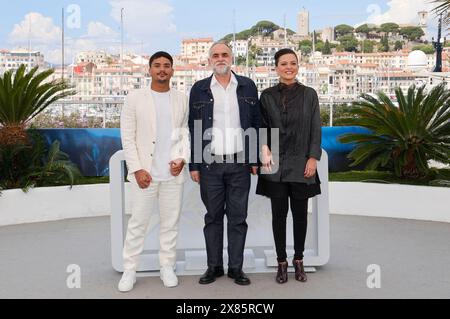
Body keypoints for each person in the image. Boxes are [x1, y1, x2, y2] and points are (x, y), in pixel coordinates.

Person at [188, 41, 261, 286]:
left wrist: (254, 158)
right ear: (209, 60)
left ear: (232, 58)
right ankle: (214, 267)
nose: (220, 58)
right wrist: (194, 164)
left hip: (240, 163)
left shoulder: (248, 86)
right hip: (210, 165)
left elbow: (256, 122)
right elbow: (194, 128)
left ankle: (236, 268)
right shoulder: (198, 89)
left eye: (225, 54)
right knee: (213, 217)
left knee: (238, 218)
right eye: (216, 55)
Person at [118, 51, 190, 291]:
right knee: (138, 223)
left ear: (172, 71)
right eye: (157, 65)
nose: (162, 69)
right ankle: (129, 270)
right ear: (149, 70)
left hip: (172, 174)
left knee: (170, 223)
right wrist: (137, 169)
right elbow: (127, 138)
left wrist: (181, 158)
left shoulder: (181, 99)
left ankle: (166, 267)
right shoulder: (134, 98)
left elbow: (184, 133)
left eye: (166, 66)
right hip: (145, 176)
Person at [256, 48, 322, 284]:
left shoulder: (309, 95)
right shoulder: (266, 96)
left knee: (300, 216)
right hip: (274, 165)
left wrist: (313, 157)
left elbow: (316, 128)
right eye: (283, 63)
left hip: (302, 163)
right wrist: (263, 147)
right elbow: (261, 126)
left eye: (293, 63)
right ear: (276, 68)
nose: (288, 67)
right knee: (278, 216)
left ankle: (299, 260)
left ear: (298, 66)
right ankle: (282, 262)